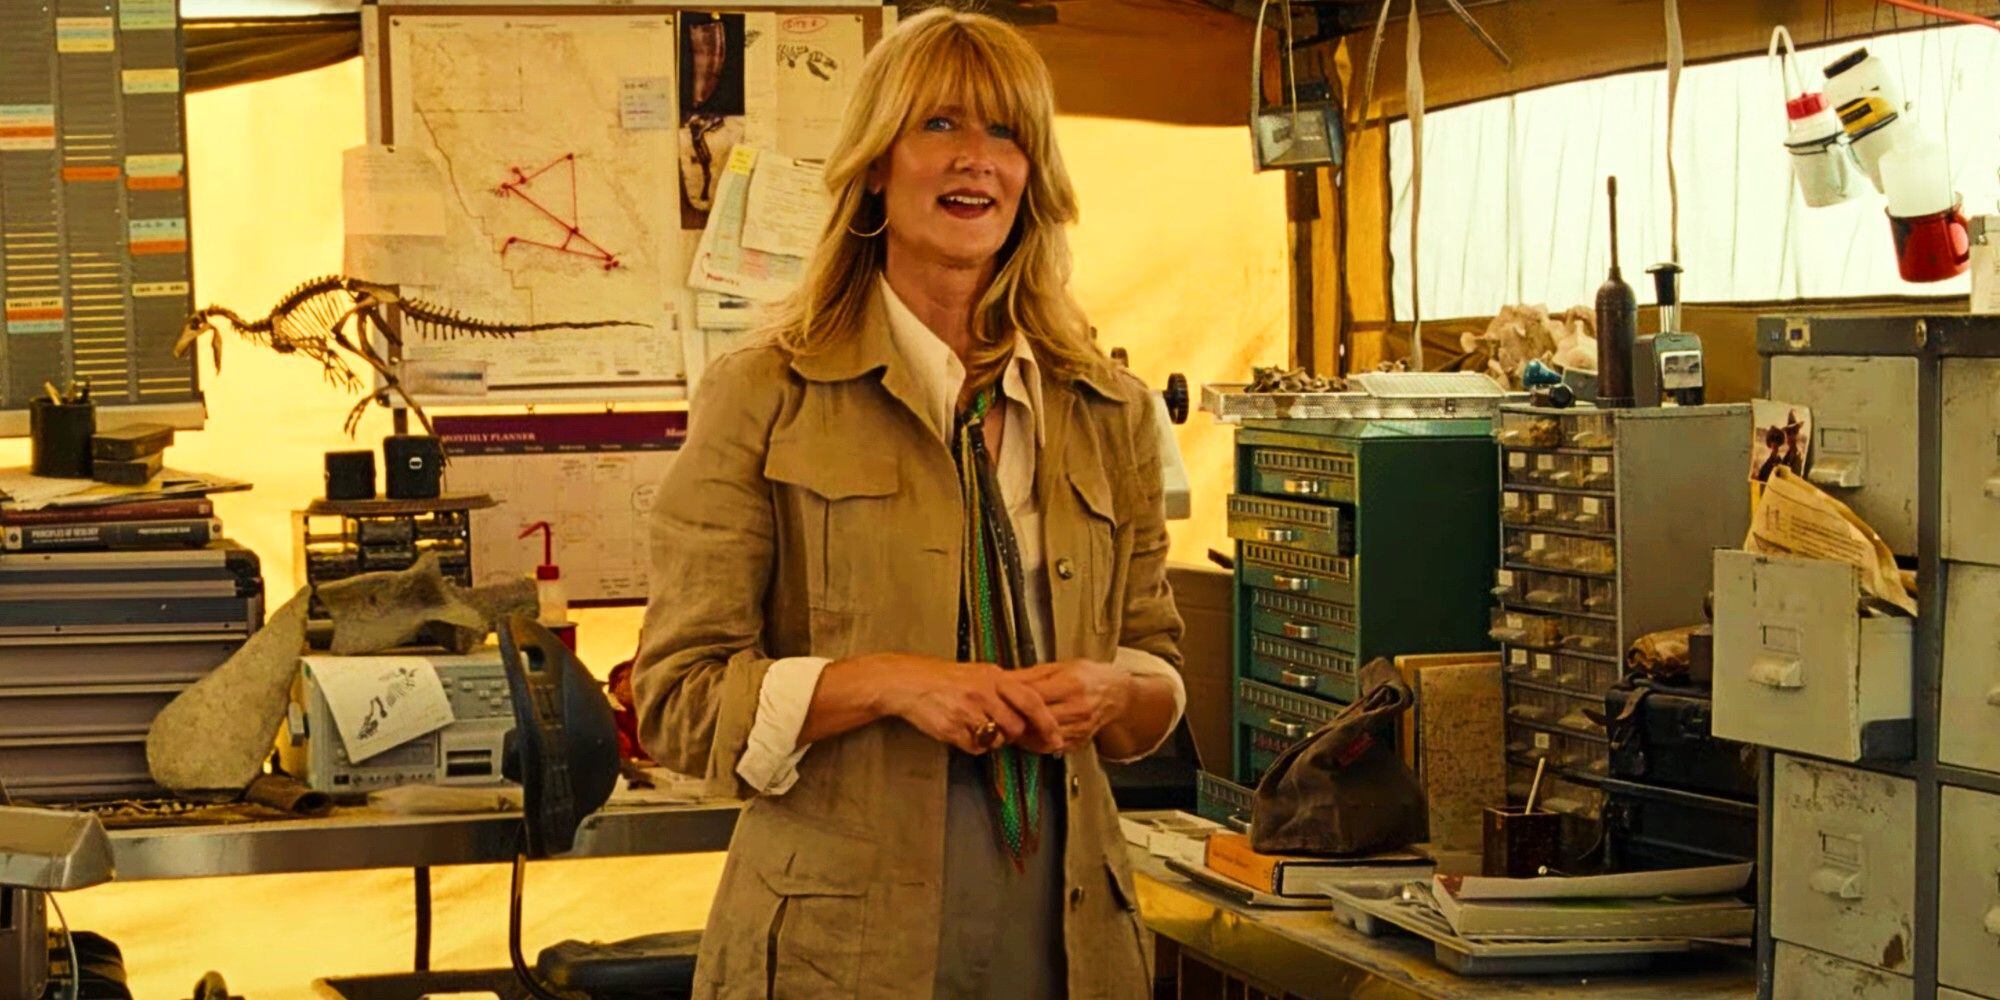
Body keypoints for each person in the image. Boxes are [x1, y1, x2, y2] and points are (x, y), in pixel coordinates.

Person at [632, 9, 1185, 999]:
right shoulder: (764, 393)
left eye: (1005, 132)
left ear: (1032, 175)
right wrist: (889, 682)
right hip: (839, 951)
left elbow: (1155, 666)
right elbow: (678, 702)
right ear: (877, 166)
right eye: (938, 125)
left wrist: (1112, 690)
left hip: (1068, 938)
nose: (975, 158)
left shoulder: (1112, 410)